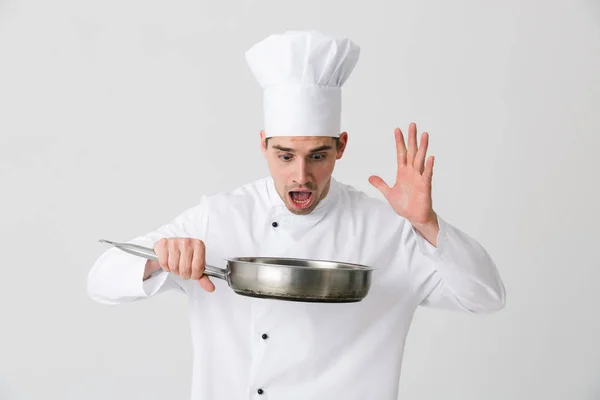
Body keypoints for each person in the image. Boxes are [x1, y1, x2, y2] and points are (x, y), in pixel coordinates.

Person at [87, 30, 505, 400]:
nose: (300, 176)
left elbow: (486, 297)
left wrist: (426, 224)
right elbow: (101, 282)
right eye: (284, 155)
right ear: (263, 143)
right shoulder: (220, 217)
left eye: (318, 156)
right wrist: (159, 258)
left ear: (341, 146)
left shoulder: (387, 229)